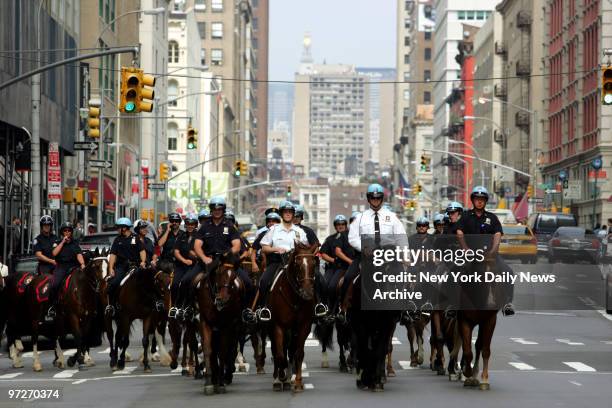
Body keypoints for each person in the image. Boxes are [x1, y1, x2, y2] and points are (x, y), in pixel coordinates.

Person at [339, 184, 407, 321]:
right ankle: (343, 309)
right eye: (372, 198)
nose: (375, 200)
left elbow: (401, 236)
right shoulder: (361, 218)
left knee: (402, 277)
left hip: (388, 257)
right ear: (368, 199)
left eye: (378, 198)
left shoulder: (391, 217)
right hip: (366, 257)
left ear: (382, 199)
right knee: (348, 277)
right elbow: (352, 237)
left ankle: (403, 309)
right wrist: (363, 247)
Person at [177, 196, 247, 322]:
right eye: (214, 209)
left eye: (219, 209)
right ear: (211, 210)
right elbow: (196, 245)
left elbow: (237, 245)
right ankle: (186, 308)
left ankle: (246, 311)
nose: (217, 211)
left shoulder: (230, 225)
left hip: (226, 263)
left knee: (247, 282)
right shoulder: (204, 226)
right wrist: (204, 258)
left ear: (223, 210)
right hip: (207, 261)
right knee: (186, 280)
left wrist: (227, 254)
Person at [247, 200, 315, 322]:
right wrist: (275, 249)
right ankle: (263, 308)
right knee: (264, 281)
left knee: (316, 279)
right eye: (285, 212)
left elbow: (306, 249)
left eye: (290, 212)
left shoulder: (300, 232)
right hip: (277, 262)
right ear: (281, 214)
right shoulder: (274, 229)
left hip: (296, 265)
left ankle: (318, 307)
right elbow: (264, 247)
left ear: (293, 214)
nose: (288, 214)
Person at [456, 186, 514, 316]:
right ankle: (451, 304)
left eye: (482, 199)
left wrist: (493, 250)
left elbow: (498, 234)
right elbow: (459, 232)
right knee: (454, 273)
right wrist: (465, 249)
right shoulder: (465, 216)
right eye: (477, 199)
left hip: (489, 255)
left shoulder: (492, 218)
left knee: (508, 271)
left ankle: (507, 303)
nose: (480, 201)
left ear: (486, 201)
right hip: (470, 255)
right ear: (473, 200)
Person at [106, 218, 147, 316]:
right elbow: (113, 255)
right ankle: (111, 305)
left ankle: (146, 304)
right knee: (113, 283)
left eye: (119, 227)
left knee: (145, 282)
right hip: (121, 266)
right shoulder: (117, 239)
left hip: (134, 266)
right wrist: (111, 268)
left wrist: (143, 262)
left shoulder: (136, 238)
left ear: (124, 228)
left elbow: (142, 251)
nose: (118, 229)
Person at [46, 222, 86, 319]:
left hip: (74, 266)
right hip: (62, 266)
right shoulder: (57, 241)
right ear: (62, 232)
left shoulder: (75, 242)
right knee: (55, 285)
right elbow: (54, 253)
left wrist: (82, 264)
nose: (67, 232)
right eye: (65, 231)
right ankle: (53, 306)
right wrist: (63, 242)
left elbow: (79, 254)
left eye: (69, 231)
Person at [320, 214, 354, 317]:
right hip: (334, 267)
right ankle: (327, 308)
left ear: (346, 225)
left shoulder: (351, 237)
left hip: (348, 267)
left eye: (343, 224)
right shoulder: (330, 239)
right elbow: (323, 254)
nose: (340, 226)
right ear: (335, 226)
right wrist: (332, 260)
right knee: (326, 285)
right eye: (338, 224)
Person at [168, 213, 199, 319]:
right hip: (181, 265)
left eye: (192, 224)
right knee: (175, 284)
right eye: (188, 224)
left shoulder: (200, 236)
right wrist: (184, 260)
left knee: (188, 282)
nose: (190, 226)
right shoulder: (182, 235)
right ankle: (176, 306)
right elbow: (176, 251)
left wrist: (195, 256)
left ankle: (190, 306)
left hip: (195, 266)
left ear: (196, 225)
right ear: (185, 225)